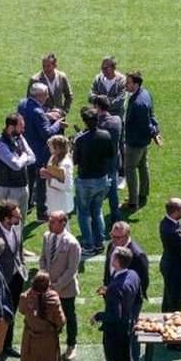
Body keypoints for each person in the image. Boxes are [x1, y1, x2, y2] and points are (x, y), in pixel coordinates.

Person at [96, 248, 142, 361]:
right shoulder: (133, 275)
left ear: (116, 262)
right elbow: (137, 297)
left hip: (114, 332)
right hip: (127, 327)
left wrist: (98, 316)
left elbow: (114, 316)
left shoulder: (115, 287)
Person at [0, 201, 27, 360]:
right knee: (0, 315)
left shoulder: (17, 226)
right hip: (1, 281)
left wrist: (22, 265)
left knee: (12, 312)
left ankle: (7, 345)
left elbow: (19, 248)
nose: (20, 217)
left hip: (16, 277)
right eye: (16, 215)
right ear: (6, 218)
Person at [18, 271, 65, 361]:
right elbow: (61, 321)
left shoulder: (25, 297)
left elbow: (21, 310)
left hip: (30, 340)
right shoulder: (53, 299)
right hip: (48, 341)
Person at [39, 210, 81, 361]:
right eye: (49, 221)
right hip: (49, 287)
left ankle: (71, 344)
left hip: (66, 289)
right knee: (49, 317)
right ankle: (51, 344)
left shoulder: (72, 243)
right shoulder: (47, 236)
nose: (49, 224)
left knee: (69, 317)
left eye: (53, 221)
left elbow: (72, 270)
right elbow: (43, 259)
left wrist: (56, 287)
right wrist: (44, 277)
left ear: (63, 223)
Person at [71, 107, 113, 253]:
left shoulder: (81, 139)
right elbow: (110, 155)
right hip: (102, 179)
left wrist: (73, 146)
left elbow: (74, 160)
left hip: (85, 181)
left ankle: (88, 244)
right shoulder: (106, 135)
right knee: (97, 210)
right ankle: (99, 242)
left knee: (83, 213)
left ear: (84, 122)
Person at [121, 69, 161, 211]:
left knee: (130, 169)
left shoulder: (138, 103)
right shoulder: (145, 93)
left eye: (128, 83)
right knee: (143, 166)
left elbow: (146, 123)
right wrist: (155, 132)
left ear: (136, 84)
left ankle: (133, 202)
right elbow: (152, 116)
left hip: (135, 142)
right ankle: (143, 194)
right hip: (143, 142)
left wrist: (154, 132)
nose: (126, 85)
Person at [17, 86, 59, 220]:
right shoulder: (37, 112)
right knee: (41, 184)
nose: (47, 98)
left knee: (29, 179)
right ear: (40, 96)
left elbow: (31, 116)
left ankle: (28, 204)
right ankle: (42, 213)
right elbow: (47, 133)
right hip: (40, 153)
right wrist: (57, 123)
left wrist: (45, 115)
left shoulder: (22, 104)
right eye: (45, 95)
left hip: (26, 150)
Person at [89, 91, 127, 227]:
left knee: (97, 193)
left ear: (98, 107)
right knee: (113, 192)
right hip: (115, 159)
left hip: (101, 162)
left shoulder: (99, 124)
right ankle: (116, 216)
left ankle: (96, 221)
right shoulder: (117, 120)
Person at [0, 111, 38, 215]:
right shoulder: (0, 145)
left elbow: (33, 158)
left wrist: (21, 159)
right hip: (9, 190)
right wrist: (24, 156)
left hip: (23, 186)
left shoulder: (20, 137)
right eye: (21, 127)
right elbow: (16, 166)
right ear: (11, 127)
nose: (23, 130)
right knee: (10, 223)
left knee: (21, 222)